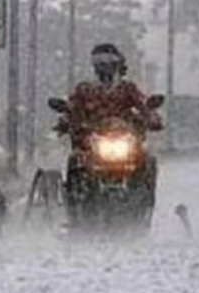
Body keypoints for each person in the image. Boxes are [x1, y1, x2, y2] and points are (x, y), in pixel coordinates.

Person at [59, 43, 163, 223]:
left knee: (147, 161)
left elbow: (144, 106)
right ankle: (75, 207)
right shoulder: (84, 89)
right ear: (94, 65)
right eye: (99, 62)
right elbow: (71, 109)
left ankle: (144, 205)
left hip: (124, 142)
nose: (104, 66)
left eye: (109, 61)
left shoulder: (128, 89)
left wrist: (152, 118)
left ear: (117, 64)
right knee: (76, 161)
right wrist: (65, 122)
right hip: (91, 143)